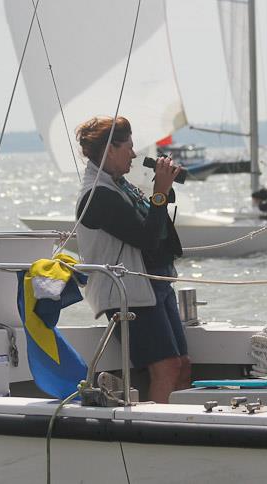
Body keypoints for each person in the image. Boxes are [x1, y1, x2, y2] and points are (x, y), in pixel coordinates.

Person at [74, 116, 190, 403]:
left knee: (183, 365)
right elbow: (146, 237)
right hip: (128, 294)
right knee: (167, 367)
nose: (134, 154)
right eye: (129, 146)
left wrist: (164, 190)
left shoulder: (118, 185)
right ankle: (161, 435)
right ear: (110, 149)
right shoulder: (97, 195)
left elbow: (152, 225)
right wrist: (159, 193)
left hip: (152, 285)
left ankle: (182, 426)